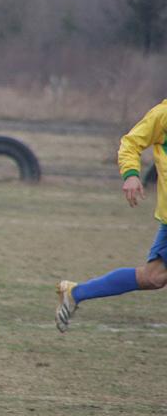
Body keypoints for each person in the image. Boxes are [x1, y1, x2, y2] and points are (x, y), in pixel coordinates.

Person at [57, 100, 167, 332]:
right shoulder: (163, 115)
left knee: (153, 277)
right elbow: (130, 143)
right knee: (154, 276)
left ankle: (76, 293)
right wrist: (131, 175)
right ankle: (76, 293)